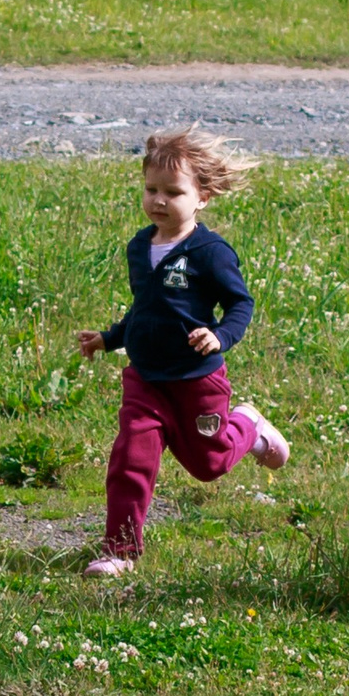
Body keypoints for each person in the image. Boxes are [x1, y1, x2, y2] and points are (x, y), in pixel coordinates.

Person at [76, 124, 289, 576]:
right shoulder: (140, 247)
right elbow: (146, 309)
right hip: (146, 379)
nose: (158, 200)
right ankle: (120, 551)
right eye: (151, 189)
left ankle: (248, 424)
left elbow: (239, 303)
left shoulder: (210, 252)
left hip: (197, 381)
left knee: (208, 465)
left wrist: (221, 336)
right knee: (130, 457)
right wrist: (109, 339)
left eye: (172, 192)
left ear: (202, 197)